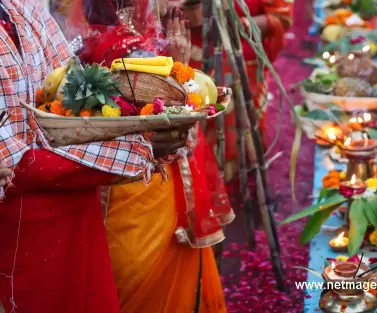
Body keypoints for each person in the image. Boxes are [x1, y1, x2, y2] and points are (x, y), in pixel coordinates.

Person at [0, 0, 191, 312]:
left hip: (79, 218)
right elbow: (14, 162)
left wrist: (156, 117)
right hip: (18, 239)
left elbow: (71, 98)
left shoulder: (25, 5)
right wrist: (142, 147)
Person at [66, 0, 233, 312]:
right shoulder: (137, 52)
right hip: (146, 190)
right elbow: (176, 123)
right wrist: (180, 69)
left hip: (110, 194)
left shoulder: (81, 47)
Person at [187, 0, 293, 181]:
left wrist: (239, 25)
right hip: (192, 57)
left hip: (241, 59)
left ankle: (239, 173)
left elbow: (281, 18)